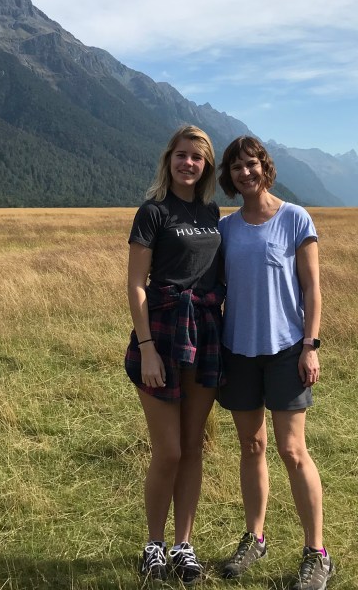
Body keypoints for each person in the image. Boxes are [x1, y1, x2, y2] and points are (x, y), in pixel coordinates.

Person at [215, 136, 335, 590]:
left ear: (265, 167)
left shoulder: (295, 218)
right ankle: (255, 538)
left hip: (287, 350)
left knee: (292, 450)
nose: (245, 172)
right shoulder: (226, 230)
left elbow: (312, 289)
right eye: (237, 167)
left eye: (252, 164)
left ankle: (317, 552)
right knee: (252, 448)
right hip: (238, 352)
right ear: (229, 177)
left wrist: (311, 344)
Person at [124, 125, 224, 583]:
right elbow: (135, 285)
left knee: (192, 448)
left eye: (197, 158)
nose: (188, 163)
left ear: (206, 166)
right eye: (182, 155)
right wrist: (146, 348)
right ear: (169, 159)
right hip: (162, 333)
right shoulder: (153, 212)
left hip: (203, 332)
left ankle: (184, 545)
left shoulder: (210, 211)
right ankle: (153, 545)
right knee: (168, 450)